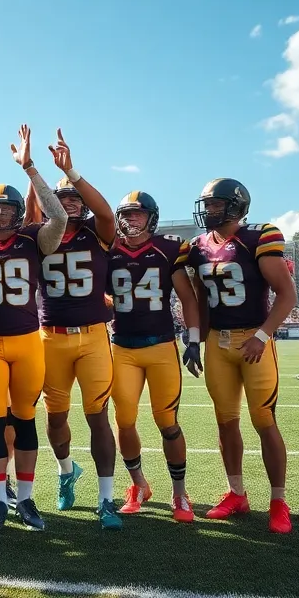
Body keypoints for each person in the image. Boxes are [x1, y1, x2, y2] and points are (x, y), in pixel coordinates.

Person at [0, 125, 68, 533]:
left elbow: (59, 214)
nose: (1, 216)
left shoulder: (32, 239)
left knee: (25, 420)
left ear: (17, 213)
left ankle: (26, 500)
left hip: (28, 340)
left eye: (7, 210)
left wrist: (30, 168)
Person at [186, 178, 296, 534]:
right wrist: (195, 340)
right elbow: (201, 298)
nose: (210, 211)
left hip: (253, 339)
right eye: (208, 204)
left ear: (236, 206)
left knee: (264, 420)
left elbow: (286, 294)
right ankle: (236, 493)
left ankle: (278, 500)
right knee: (225, 421)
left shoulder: (257, 237)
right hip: (217, 342)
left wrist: (262, 336)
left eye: (217, 204)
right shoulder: (198, 246)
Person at [24, 130, 122, 528]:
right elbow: (31, 214)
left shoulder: (96, 234)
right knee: (56, 418)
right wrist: (31, 170)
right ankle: (67, 470)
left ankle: (106, 498)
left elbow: (107, 213)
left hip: (94, 335)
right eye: (62, 199)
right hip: (51, 336)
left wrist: (71, 172)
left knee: (99, 416)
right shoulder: (39, 237)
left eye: (74, 200)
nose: (69, 205)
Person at [107, 191, 201, 523]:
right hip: (122, 346)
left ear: (152, 218)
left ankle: (179, 493)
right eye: (126, 214)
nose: (131, 220)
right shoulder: (109, 250)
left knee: (168, 422)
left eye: (138, 214)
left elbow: (188, 297)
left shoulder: (168, 249)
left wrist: (193, 340)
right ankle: (138, 485)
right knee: (125, 420)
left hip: (161, 346)